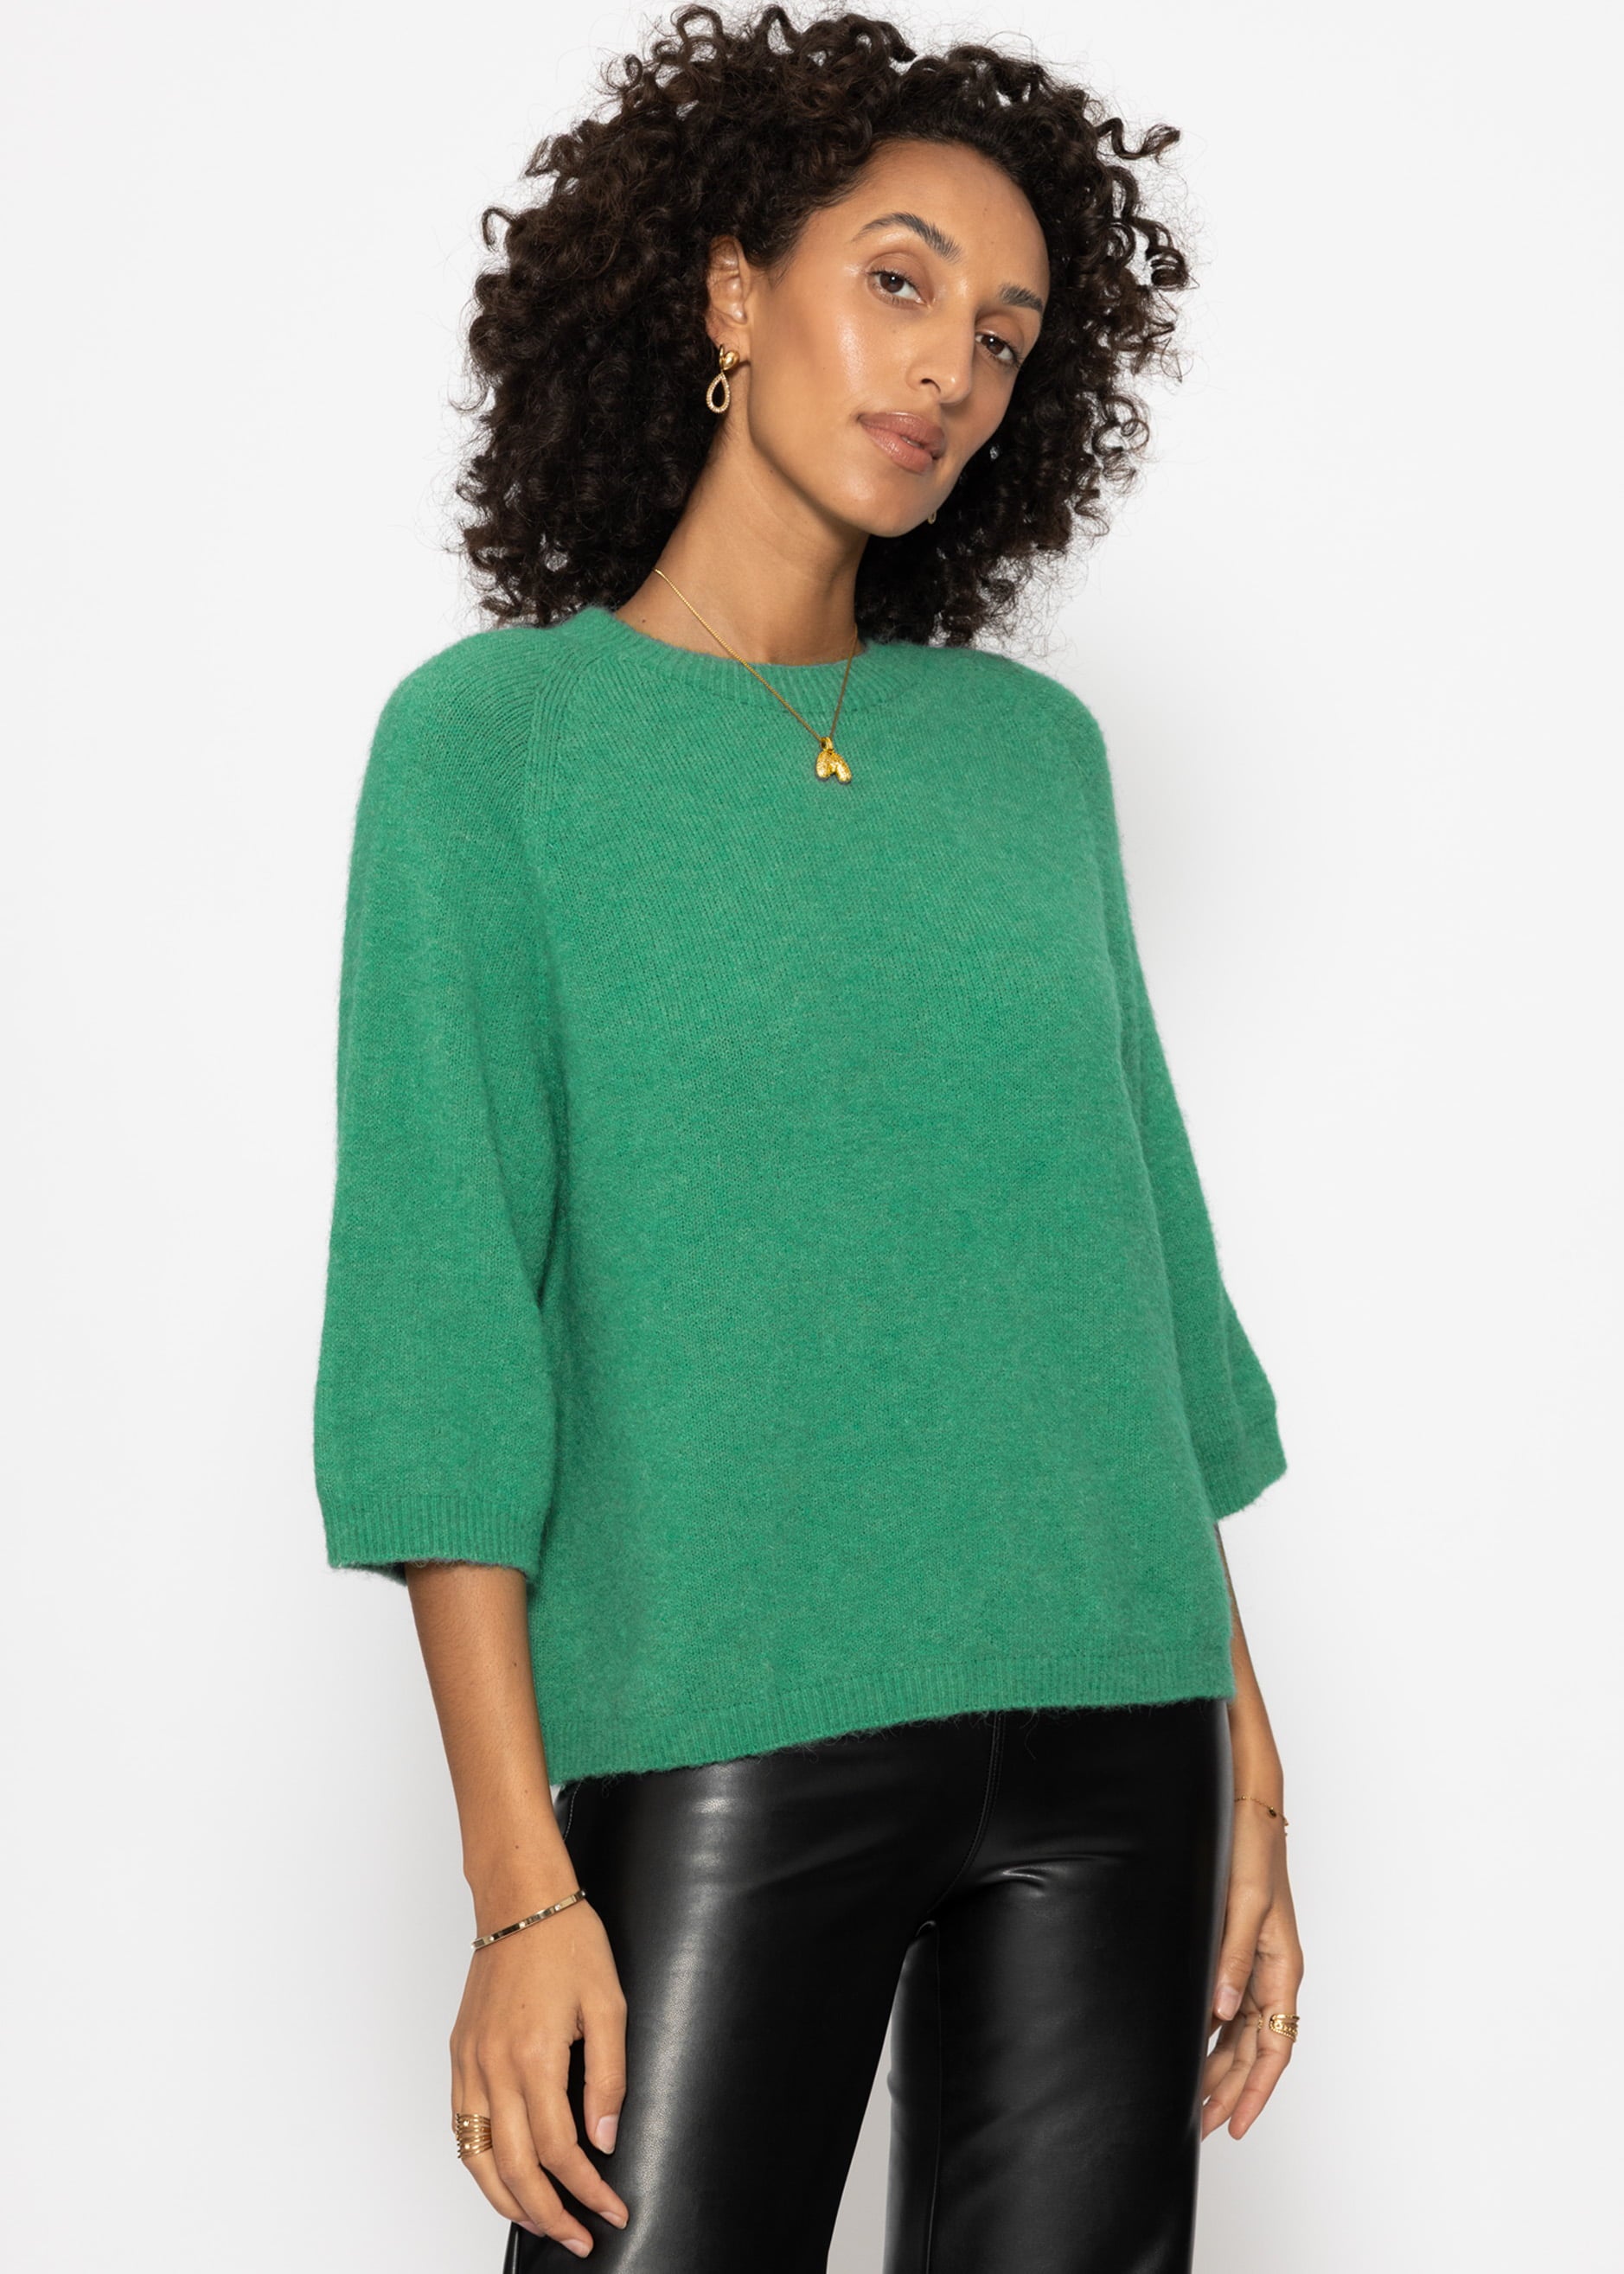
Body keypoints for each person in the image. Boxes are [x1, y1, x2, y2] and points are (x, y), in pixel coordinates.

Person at [312, 9, 1304, 2267]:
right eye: (898, 279)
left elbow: (1134, 1276)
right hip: (721, 1730)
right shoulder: (495, 749)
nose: (949, 365)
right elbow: (441, 1336)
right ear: (731, 291)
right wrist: (520, 1892)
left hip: (1119, 1721)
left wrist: (1248, 1757)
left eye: (1005, 336)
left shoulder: (1031, 761)